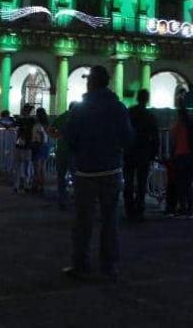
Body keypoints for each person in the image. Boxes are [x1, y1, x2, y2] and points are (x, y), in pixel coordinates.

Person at [63, 65, 133, 281]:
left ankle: (80, 264)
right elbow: (128, 138)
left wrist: (81, 155)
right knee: (109, 220)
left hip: (86, 172)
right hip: (111, 170)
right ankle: (109, 265)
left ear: (92, 82)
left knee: (83, 221)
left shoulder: (80, 109)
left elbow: (69, 138)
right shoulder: (119, 108)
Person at [124, 89, 159, 220]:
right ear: (147, 99)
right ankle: (139, 208)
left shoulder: (130, 112)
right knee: (141, 183)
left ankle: (129, 208)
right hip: (144, 152)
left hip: (129, 151)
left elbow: (124, 130)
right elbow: (155, 136)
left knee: (128, 181)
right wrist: (154, 152)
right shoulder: (149, 115)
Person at [165, 102, 193, 218]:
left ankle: (182, 207)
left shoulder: (178, 126)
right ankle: (189, 209)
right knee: (188, 184)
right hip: (190, 157)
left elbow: (173, 139)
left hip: (180, 157)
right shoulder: (192, 126)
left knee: (180, 184)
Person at [52, 104, 76, 209]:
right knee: (75, 175)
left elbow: (50, 129)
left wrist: (56, 136)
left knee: (61, 176)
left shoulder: (62, 117)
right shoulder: (78, 117)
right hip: (74, 151)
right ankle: (77, 196)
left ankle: (62, 198)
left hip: (61, 150)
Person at [14, 103, 35, 192]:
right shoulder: (32, 121)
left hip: (21, 145)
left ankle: (18, 184)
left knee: (19, 166)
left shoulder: (20, 120)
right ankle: (24, 184)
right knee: (26, 166)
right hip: (27, 145)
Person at [32, 107, 51, 192]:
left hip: (39, 145)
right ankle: (42, 185)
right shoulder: (46, 124)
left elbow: (42, 135)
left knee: (37, 167)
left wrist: (39, 144)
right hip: (45, 145)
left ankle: (36, 185)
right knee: (42, 167)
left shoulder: (38, 125)